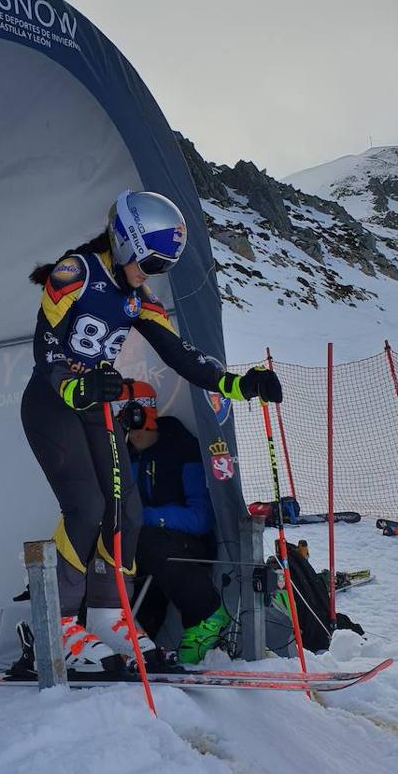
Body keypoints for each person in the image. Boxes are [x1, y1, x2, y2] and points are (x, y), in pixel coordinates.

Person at [20, 188, 282, 674]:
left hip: (95, 404)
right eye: (151, 262)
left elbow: (180, 355)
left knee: (127, 510)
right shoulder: (73, 274)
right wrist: (76, 389)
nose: (153, 273)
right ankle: (52, 624)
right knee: (87, 507)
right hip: (53, 403)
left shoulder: (138, 298)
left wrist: (240, 384)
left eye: (164, 266)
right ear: (123, 243)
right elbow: (48, 350)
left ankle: (106, 615)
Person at [120, 380, 231, 664]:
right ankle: (125, 635)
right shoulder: (127, 456)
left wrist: (149, 517)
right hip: (149, 554)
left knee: (146, 539)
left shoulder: (180, 448)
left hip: (190, 548)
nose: (131, 435)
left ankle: (206, 614)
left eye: (135, 425)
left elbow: (202, 518)